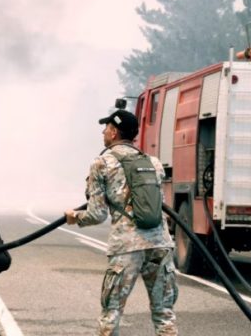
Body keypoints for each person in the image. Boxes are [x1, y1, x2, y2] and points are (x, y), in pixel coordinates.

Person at [65, 110, 178, 335]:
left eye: (106, 127)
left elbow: (97, 214)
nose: (103, 131)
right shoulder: (154, 163)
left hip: (127, 247)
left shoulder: (102, 163)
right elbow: (160, 206)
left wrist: (75, 217)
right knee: (164, 313)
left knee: (112, 312)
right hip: (160, 243)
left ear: (114, 132)